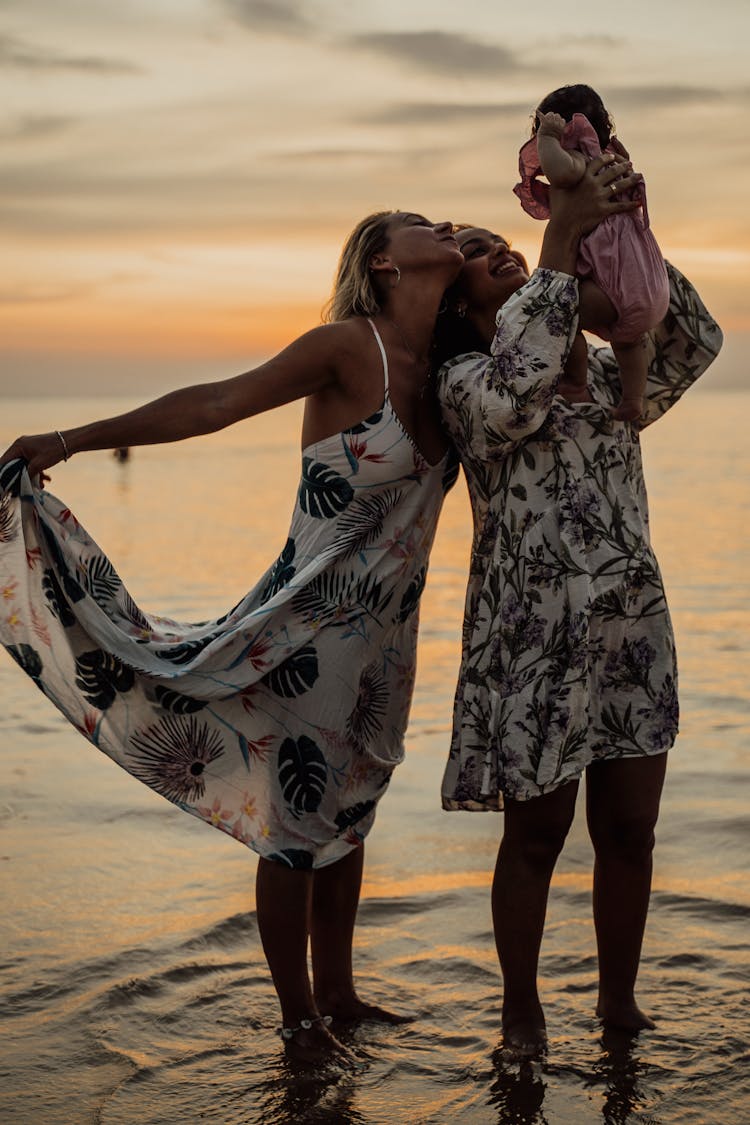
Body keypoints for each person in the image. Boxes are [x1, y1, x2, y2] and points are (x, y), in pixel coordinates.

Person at [0, 164, 635, 1064]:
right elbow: (216, 405)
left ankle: (339, 992)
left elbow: (555, 366)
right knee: (297, 823)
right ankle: (299, 1019)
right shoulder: (347, 347)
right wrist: (68, 438)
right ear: (381, 259)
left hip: (386, 636)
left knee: (350, 811)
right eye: (420, 221)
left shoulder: (456, 373)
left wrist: (604, 227)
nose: (446, 222)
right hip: (308, 628)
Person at [434, 216, 722, 1054]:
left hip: (630, 624)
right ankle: (520, 1010)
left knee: (631, 830)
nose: (498, 245)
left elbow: (694, 339)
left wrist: (621, 230)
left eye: (502, 237)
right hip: (533, 637)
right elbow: (516, 394)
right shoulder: (464, 384)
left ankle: (618, 1001)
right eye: (476, 255)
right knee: (536, 836)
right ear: (459, 304)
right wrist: (559, 240)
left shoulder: (606, 377)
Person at [514, 83, 670, 421]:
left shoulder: (580, 164)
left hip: (612, 284)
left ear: (570, 131)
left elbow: (559, 170)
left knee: (562, 317)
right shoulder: (614, 159)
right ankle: (633, 399)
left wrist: (547, 139)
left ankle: (575, 380)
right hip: (646, 284)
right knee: (630, 342)